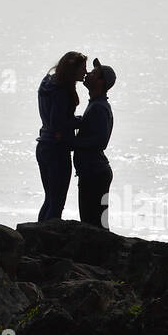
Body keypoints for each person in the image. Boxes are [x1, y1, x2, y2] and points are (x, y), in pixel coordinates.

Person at [35, 52, 87, 221]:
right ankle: (46, 240)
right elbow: (58, 122)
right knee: (56, 202)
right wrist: (80, 121)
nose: (85, 72)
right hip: (57, 149)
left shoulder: (47, 83)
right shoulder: (61, 91)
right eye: (82, 68)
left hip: (43, 144)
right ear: (72, 70)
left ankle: (34, 237)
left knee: (49, 199)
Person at [72, 58, 116, 229]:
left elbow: (100, 141)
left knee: (93, 224)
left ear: (101, 82)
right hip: (92, 172)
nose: (88, 74)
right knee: (93, 221)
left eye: (94, 74)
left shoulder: (99, 107)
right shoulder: (96, 104)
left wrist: (71, 142)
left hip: (95, 173)